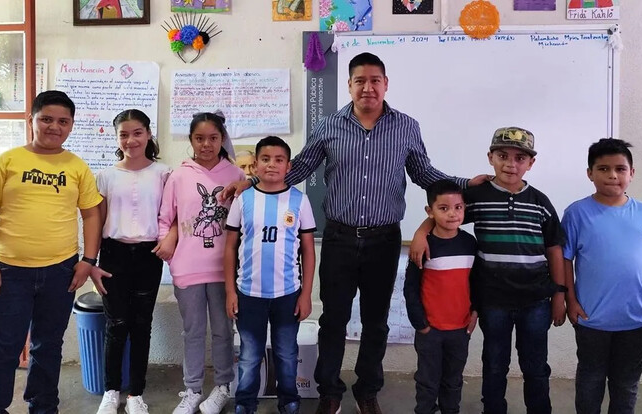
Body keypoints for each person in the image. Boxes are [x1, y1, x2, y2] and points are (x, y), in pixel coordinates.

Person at [220, 52, 489, 414]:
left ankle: (367, 389)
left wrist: (464, 184)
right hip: (340, 238)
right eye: (360, 80)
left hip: (383, 238)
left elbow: (425, 174)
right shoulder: (330, 125)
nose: (368, 87)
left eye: (375, 80)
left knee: (376, 321)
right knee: (334, 318)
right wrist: (250, 182)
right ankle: (330, 390)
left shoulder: (406, 126)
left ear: (386, 84)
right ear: (349, 85)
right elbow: (297, 168)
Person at [411, 126, 566, 414]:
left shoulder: (540, 202)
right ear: (490, 157)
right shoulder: (478, 196)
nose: (511, 163)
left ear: (531, 163)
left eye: (520, 158)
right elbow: (445, 214)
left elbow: (555, 249)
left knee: (535, 365)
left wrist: (559, 293)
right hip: (493, 301)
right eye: (503, 155)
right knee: (494, 364)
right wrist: (421, 232)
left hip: (535, 301)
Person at [0, 90, 109, 413]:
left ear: (71, 125)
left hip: (61, 271)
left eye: (63, 121)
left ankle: (43, 405)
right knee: (3, 348)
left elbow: (91, 214)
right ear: (31, 119)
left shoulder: (76, 166)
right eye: (46, 119)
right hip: (9, 272)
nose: (54, 127)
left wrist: (88, 261)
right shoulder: (8, 161)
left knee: (48, 346)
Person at [562, 138, 642, 414]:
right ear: (590, 173)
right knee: (590, 382)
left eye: (620, 169)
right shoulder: (576, 213)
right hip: (591, 320)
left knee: (625, 385)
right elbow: (565, 260)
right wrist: (571, 302)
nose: (612, 175)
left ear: (632, 173)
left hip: (638, 321)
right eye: (603, 168)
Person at [158, 112, 244, 414]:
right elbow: (166, 218)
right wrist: (170, 252)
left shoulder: (235, 175)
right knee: (192, 332)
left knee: (223, 330)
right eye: (199, 138)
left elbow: (245, 220)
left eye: (213, 138)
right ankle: (192, 390)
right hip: (188, 269)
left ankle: (222, 387)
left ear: (222, 139)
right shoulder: (179, 176)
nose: (206, 144)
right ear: (191, 140)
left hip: (224, 271)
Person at [224, 135, 316, 414]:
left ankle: (289, 401)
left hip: (287, 294)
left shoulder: (299, 201)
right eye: (265, 159)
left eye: (279, 160)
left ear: (289, 166)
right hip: (249, 294)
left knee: (287, 353)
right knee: (249, 356)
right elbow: (229, 248)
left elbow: (309, 252)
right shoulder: (244, 199)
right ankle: (245, 403)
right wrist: (230, 291)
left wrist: (307, 294)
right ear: (255, 164)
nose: (272, 165)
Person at [94, 109, 174, 414]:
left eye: (137, 133)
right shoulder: (105, 176)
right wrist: (91, 261)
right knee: (116, 324)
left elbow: (174, 215)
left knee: (142, 325)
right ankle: (111, 391)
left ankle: (136, 394)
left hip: (148, 255)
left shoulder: (164, 173)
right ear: (117, 138)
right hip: (113, 254)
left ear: (148, 134)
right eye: (124, 134)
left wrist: (170, 240)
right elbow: (96, 222)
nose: (131, 140)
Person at [403, 180, 477, 414]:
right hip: (430, 331)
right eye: (443, 208)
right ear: (430, 212)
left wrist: (475, 312)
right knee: (427, 380)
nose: (452, 214)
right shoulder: (422, 246)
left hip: (460, 329)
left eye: (458, 207)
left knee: (453, 380)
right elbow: (411, 288)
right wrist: (421, 325)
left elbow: (477, 283)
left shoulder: (469, 243)